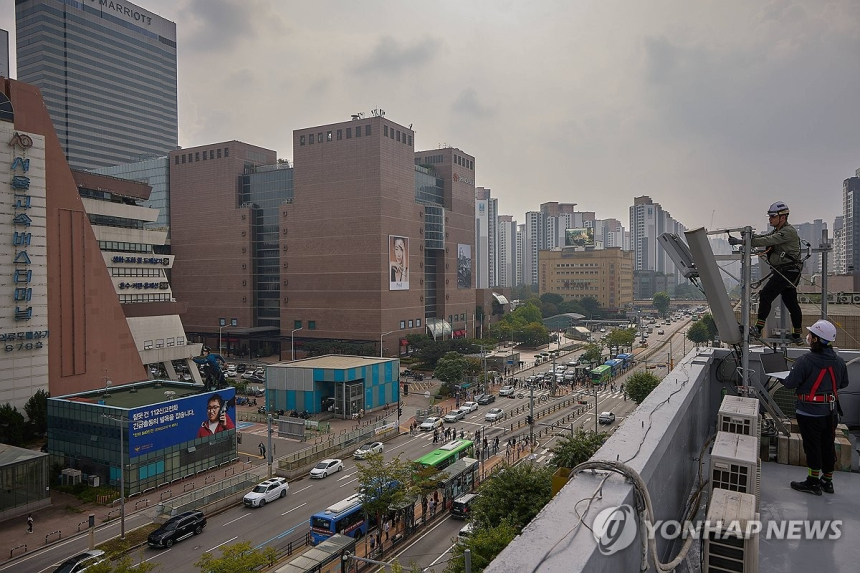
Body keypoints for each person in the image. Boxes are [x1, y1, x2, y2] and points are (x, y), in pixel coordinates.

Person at [779, 320, 848, 495]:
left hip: (808, 412)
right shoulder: (839, 361)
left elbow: (790, 384)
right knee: (828, 445)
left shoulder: (805, 360)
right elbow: (844, 383)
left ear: (816, 339)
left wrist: (780, 376)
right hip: (830, 412)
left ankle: (813, 481)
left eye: (810, 335)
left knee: (813, 447)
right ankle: (827, 481)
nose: (808, 337)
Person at [728, 201, 803, 343]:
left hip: (787, 271)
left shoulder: (787, 232)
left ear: (783, 217)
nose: (770, 219)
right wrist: (747, 237)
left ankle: (758, 329)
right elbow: (763, 238)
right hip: (787, 271)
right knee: (791, 302)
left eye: (773, 216)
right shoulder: (778, 231)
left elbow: (767, 240)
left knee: (766, 295)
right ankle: (797, 335)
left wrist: (740, 241)